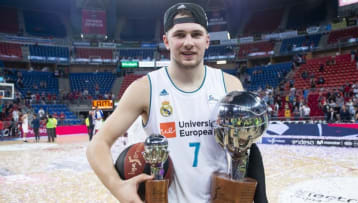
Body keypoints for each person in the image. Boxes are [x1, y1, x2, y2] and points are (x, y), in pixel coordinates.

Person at [86, 3, 267, 203]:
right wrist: (119, 189)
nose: (188, 42)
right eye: (179, 35)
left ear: (207, 40)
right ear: (166, 41)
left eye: (196, 34)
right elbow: (97, 145)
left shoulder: (229, 85)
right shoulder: (144, 88)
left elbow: (245, 148)